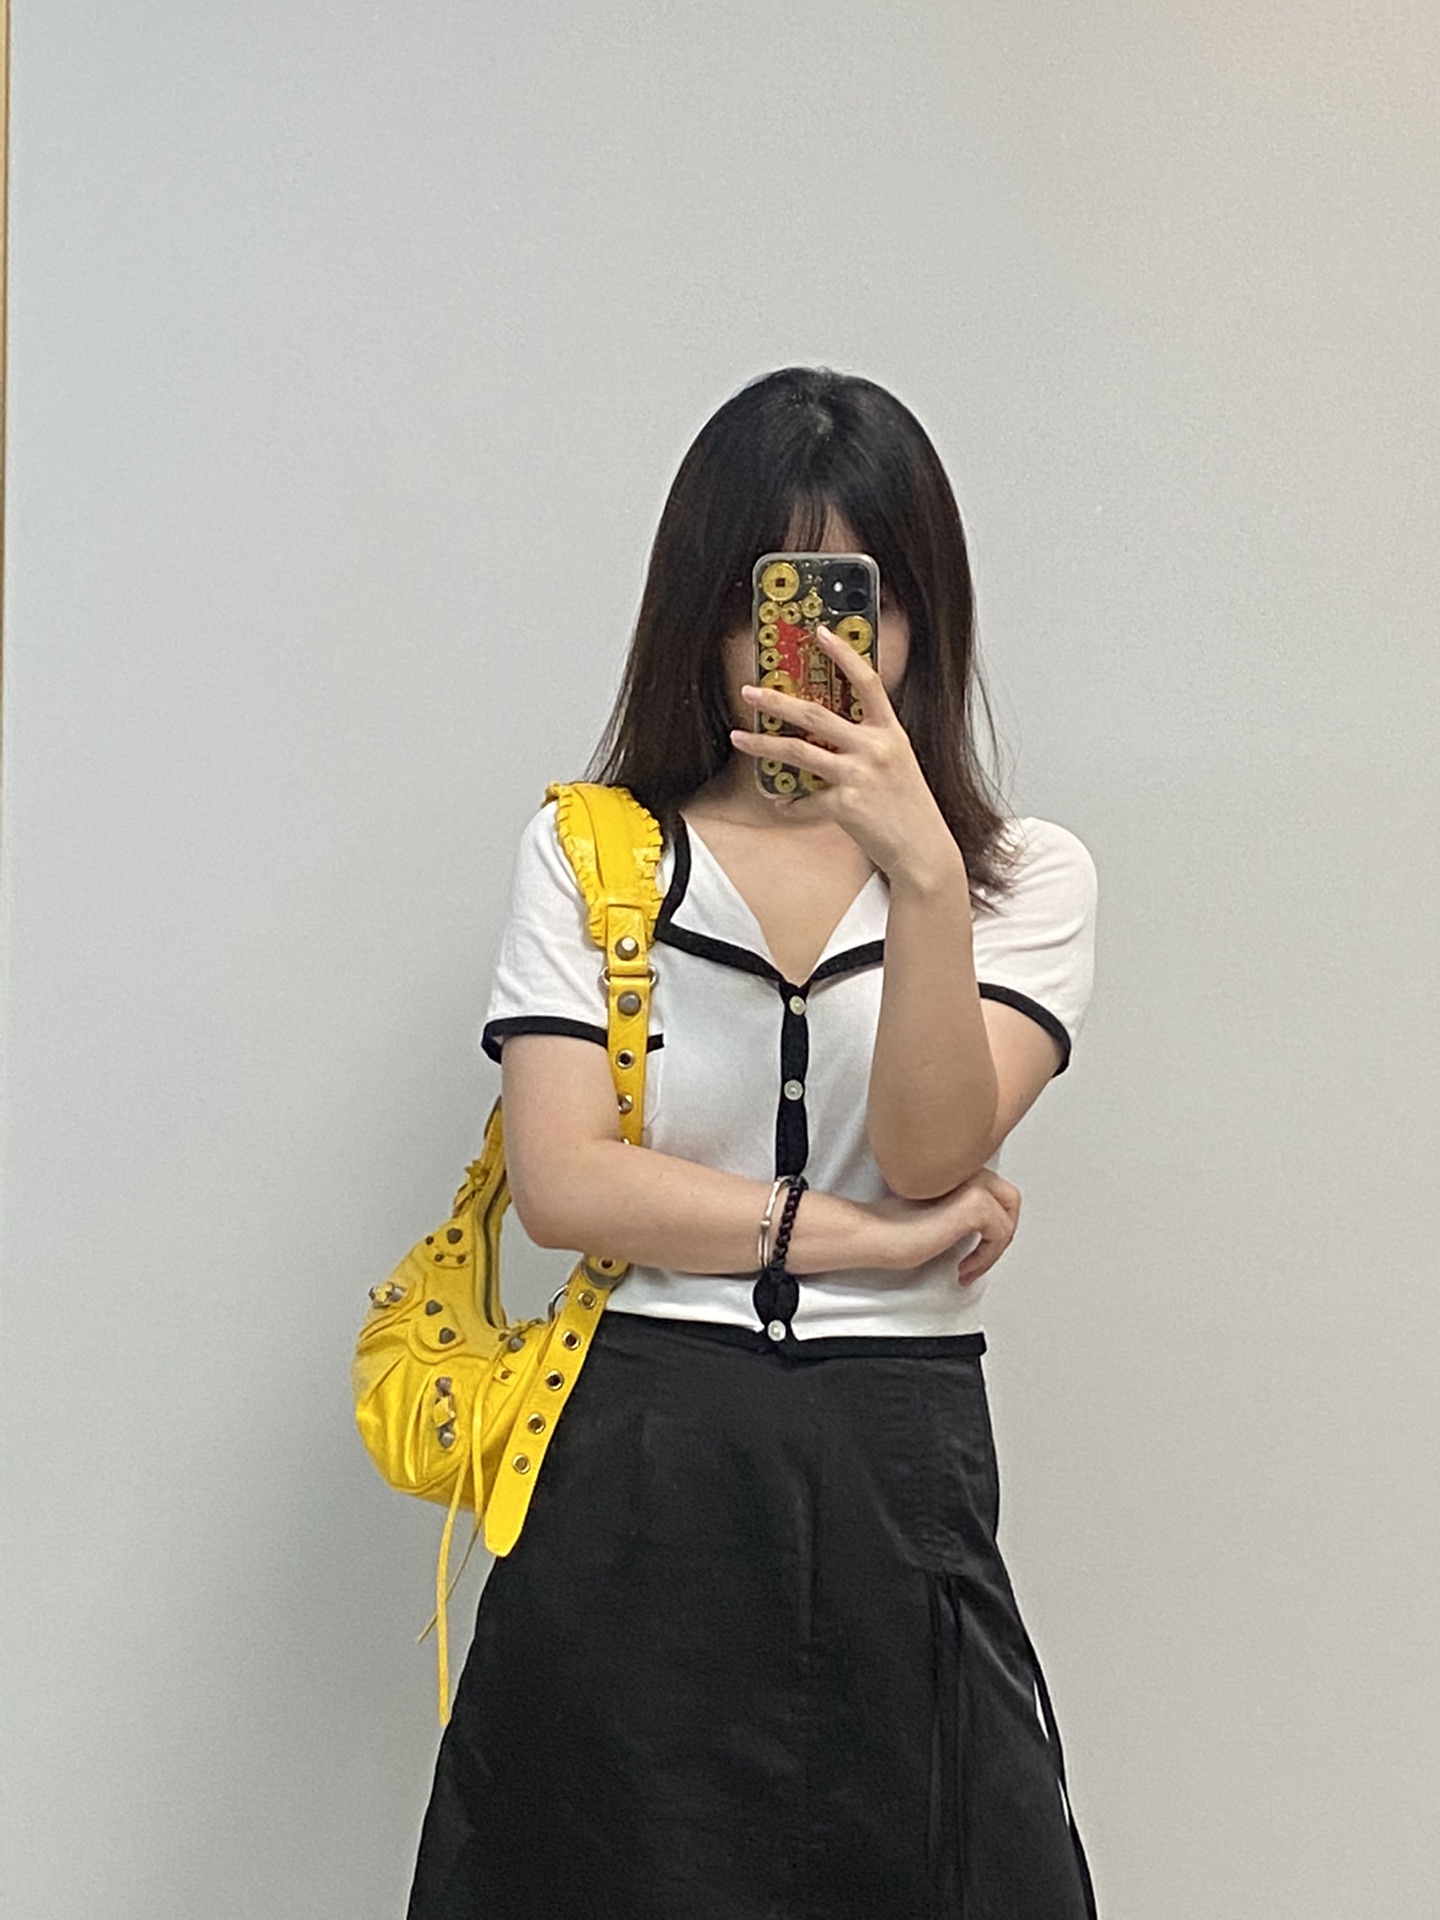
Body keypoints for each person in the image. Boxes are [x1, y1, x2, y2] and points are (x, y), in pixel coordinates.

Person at [406, 367, 1100, 1919]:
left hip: (896, 1451)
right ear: (706, 611)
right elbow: (567, 1187)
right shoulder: (594, 853)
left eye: (865, 601)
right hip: (640, 1440)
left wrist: (923, 873)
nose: (821, 650)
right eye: (771, 599)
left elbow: (928, 1151)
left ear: (923, 615)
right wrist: (866, 1241)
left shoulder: (1020, 880)